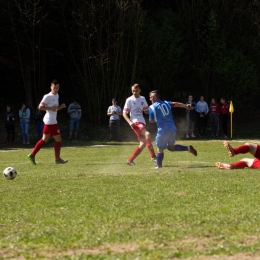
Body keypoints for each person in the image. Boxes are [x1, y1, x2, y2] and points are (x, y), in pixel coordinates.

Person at [149, 90, 197, 169]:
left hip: (163, 130)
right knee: (171, 147)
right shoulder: (166, 103)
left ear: (154, 97)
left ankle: (159, 166)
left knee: (160, 149)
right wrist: (186, 106)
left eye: (151, 97)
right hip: (172, 128)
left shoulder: (152, 107)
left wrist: (155, 118)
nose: (150, 99)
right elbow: (176, 104)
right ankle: (187, 148)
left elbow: (151, 120)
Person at [28, 79, 68, 165]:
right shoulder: (47, 96)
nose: (56, 89)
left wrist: (61, 106)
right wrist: (51, 109)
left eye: (57, 88)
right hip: (51, 121)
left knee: (44, 139)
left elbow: (55, 108)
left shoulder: (57, 95)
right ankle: (57, 159)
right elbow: (40, 107)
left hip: (50, 120)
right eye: (54, 88)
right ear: (51, 87)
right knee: (58, 139)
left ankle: (32, 154)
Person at [123, 83, 156, 166]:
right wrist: (130, 122)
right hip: (135, 123)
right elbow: (124, 113)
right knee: (147, 134)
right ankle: (153, 157)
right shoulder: (129, 100)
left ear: (140, 90)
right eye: (133, 91)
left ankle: (130, 160)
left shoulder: (142, 99)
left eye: (136, 91)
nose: (134, 92)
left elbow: (146, 110)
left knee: (143, 144)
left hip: (141, 122)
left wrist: (153, 109)